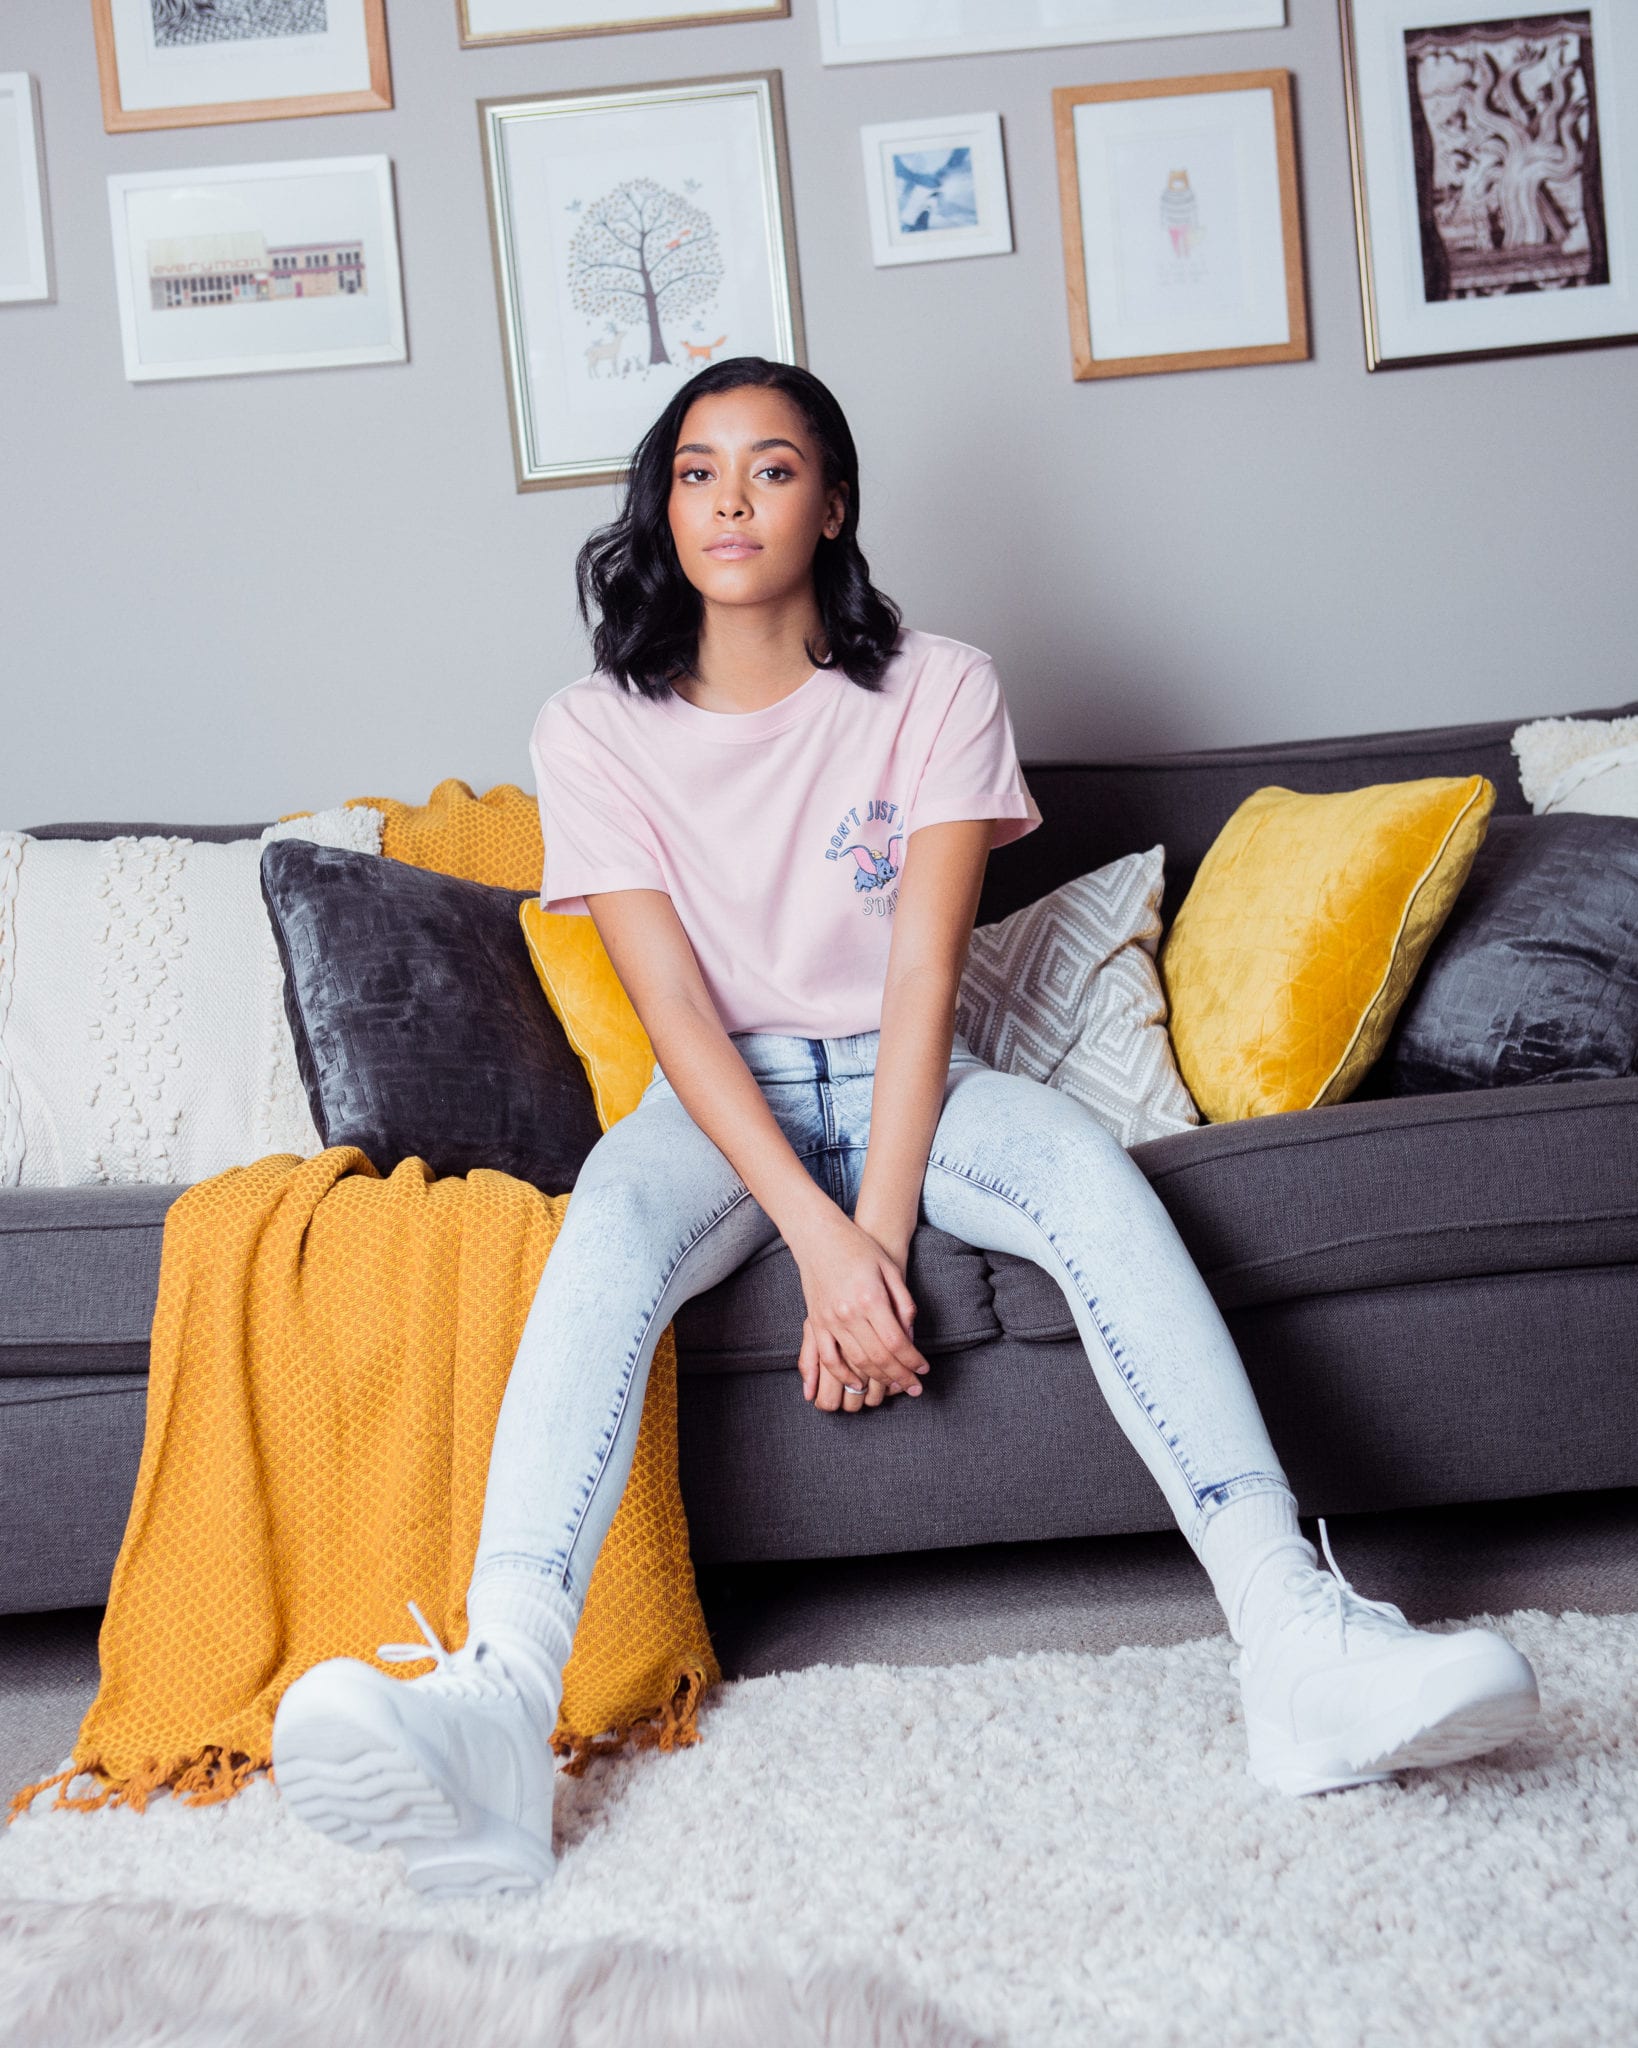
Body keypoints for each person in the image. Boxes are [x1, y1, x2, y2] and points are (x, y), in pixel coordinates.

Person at [271, 358, 1540, 1897]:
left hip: (910, 1072)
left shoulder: (938, 685)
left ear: (832, 503)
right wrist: (820, 1249)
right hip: (716, 1094)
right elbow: (672, 1010)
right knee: (601, 1230)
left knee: (1083, 1171)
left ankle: (1294, 1643)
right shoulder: (591, 726)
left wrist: (876, 1233)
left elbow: (923, 970)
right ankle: (497, 1705)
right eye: (695, 471)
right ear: (661, 506)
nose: (729, 499)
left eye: (771, 467)